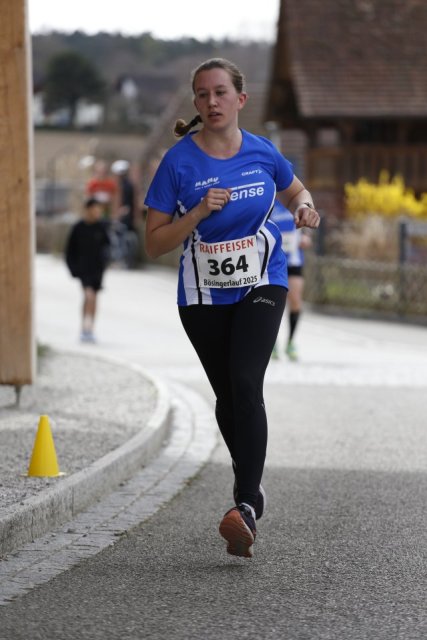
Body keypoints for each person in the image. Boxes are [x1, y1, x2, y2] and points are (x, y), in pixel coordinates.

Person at [144, 58, 320, 558]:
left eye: (220, 92)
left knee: (246, 381)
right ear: (196, 104)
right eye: (203, 94)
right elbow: (154, 243)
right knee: (227, 393)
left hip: (263, 280)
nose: (212, 101)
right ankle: (251, 487)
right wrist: (199, 211)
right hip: (203, 293)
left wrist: (304, 207)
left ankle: (245, 504)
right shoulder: (178, 163)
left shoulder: (263, 152)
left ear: (240, 99)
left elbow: (296, 190)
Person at [270, 199, 312, 361]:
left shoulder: (295, 200)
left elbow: (307, 224)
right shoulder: (270, 200)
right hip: (273, 261)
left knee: (295, 300)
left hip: (293, 260)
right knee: (273, 302)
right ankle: (272, 342)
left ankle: (291, 342)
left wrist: (306, 237)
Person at [65, 197, 111, 343]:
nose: (97, 212)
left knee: (94, 298)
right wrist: (73, 270)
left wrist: (106, 262)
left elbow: (108, 247)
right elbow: (69, 251)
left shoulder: (101, 227)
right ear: (88, 210)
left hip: (98, 269)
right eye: (95, 209)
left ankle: (90, 328)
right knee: (88, 295)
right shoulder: (78, 228)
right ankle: (85, 326)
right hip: (83, 269)